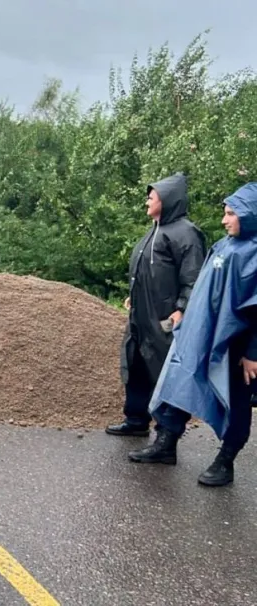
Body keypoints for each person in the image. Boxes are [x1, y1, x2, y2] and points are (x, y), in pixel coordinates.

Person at [129, 182, 257, 487]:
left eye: (231, 214)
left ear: (251, 215)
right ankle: (166, 444)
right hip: (202, 335)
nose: (224, 220)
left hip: (236, 346)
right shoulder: (226, 245)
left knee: (236, 402)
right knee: (181, 384)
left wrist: (253, 353)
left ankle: (226, 460)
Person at [107, 173, 206, 437]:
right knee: (137, 365)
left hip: (165, 319)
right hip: (142, 316)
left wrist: (182, 308)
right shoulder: (155, 230)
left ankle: (166, 437)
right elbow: (147, 272)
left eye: (151, 197)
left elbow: (193, 276)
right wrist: (134, 295)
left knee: (165, 374)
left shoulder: (186, 233)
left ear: (167, 199)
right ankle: (136, 420)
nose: (147, 201)